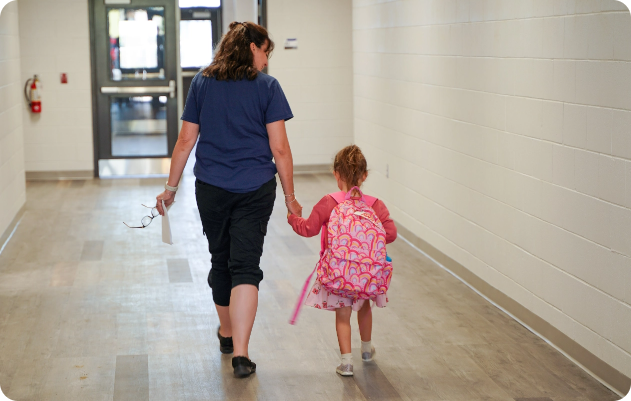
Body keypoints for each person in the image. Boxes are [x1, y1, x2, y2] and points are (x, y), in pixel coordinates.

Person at [155, 21, 302, 378]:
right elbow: (279, 148)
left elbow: (185, 142)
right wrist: (291, 197)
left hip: (212, 188)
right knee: (247, 267)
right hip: (256, 189)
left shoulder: (203, 83)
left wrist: (170, 190)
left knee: (221, 261)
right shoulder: (268, 88)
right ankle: (241, 353)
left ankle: (226, 333)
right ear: (252, 47)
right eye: (266, 52)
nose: (266, 61)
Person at [287, 145, 397, 376]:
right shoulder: (375, 204)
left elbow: (309, 229)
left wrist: (292, 218)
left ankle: (346, 363)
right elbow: (391, 234)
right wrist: (366, 243)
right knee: (365, 305)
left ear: (337, 174)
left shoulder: (329, 202)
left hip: (339, 270)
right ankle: (366, 350)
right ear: (364, 175)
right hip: (367, 272)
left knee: (343, 312)